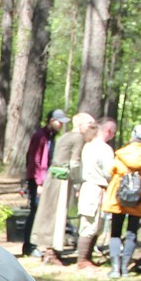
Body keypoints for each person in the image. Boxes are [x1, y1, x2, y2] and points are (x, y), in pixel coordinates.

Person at [31, 111, 93, 265]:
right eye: (89, 125)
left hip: (53, 178)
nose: (91, 128)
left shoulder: (64, 136)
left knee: (49, 213)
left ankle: (50, 250)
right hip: (62, 180)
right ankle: (51, 253)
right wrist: (78, 182)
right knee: (57, 214)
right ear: (80, 124)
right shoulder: (77, 138)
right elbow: (75, 163)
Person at [103, 124, 141, 279]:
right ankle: (125, 268)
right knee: (132, 232)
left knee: (115, 232)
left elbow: (111, 170)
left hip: (118, 195)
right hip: (139, 196)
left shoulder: (121, 153)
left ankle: (115, 268)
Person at [22, 109, 68, 257]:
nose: (61, 124)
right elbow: (35, 160)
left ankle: (34, 244)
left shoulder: (51, 136)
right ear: (50, 121)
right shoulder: (40, 136)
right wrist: (39, 183)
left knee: (40, 212)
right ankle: (29, 246)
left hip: (44, 180)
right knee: (35, 212)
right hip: (37, 181)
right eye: (58, 121)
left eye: (62, 122)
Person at [75, 117, 116, 269]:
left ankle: (88, 257)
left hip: (88, 187)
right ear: (109, 131)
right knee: (90, 224)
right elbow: (109, 171)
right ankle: (82, 259)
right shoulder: (103, 149)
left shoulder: (88, 146)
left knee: (95, 224)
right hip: (95, 188)